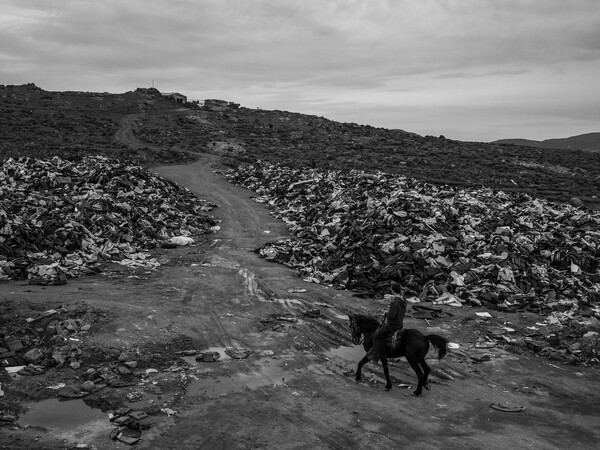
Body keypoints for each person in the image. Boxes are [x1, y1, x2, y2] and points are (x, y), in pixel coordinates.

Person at [371, 283, 407, 361]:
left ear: (393, 290)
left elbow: (392, 316)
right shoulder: (403, 301)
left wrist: (386, 313)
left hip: (392, 325)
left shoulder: (394, 302)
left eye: (391, 289)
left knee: (376, 336)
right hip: (400, 324)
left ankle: (377, 355)